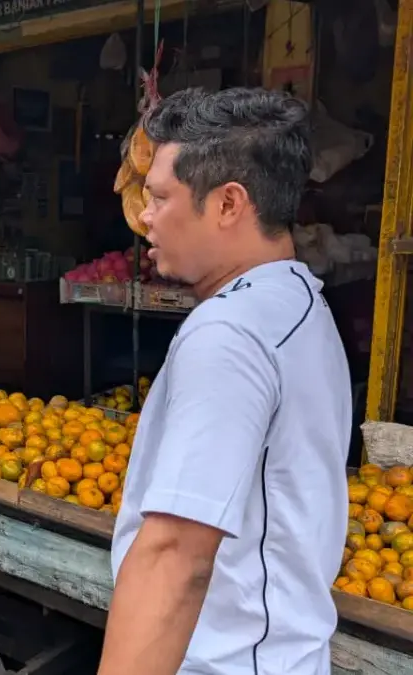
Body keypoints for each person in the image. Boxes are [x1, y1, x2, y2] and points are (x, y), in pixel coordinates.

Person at [99, 88, 351, 675]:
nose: (144, 217)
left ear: (228, 204)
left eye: (160, 197)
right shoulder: (298, 302)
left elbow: (175, 556)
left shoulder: (230, 333)